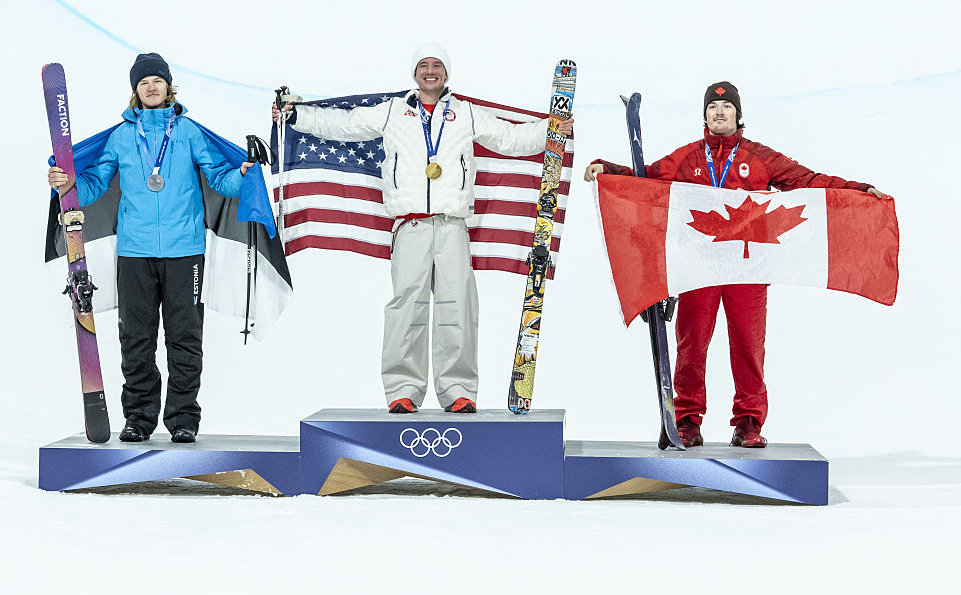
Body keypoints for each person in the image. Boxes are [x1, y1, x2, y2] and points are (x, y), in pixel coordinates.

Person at [274, 43, 573, 414]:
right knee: (406, 309)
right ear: (414, 73)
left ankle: (458, 390)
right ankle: (403, 389)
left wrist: (551, 128)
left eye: (437, 66)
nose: (430, 71)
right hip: (410, 225)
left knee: (458, 309)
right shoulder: (392, 112)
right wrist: (296, 116)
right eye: (423, 65)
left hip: (451, 225)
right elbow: (345, 125)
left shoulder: (465, 114)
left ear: (447, 74)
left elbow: (509, 139)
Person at [585, 81, 884, 448]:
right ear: (705, 115)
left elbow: (806, 181)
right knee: (692, 346)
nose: (719, 112)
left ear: (738, 114)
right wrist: (609, 169)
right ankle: (686, 421)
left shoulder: (759, 157)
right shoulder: (689, 157)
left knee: (748, 347)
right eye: (712, 107)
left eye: (726, 108)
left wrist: (855, 189)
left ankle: (748, 424)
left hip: (749, 268)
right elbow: (647, 177)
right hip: (700, 265)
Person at [47, 53, 252, 443]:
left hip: (185, 252)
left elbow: (220, 180)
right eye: (144, 83)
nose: (152, 87)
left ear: (169, 86)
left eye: (158, 81)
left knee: (185, 339)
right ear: (135, 91)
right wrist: (67, 184)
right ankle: (138, 418)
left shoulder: (189, 132)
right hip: (135, 253)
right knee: (136, 339)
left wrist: (242, 175)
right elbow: (94, 186)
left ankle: (183, 419)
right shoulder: (122, 137)